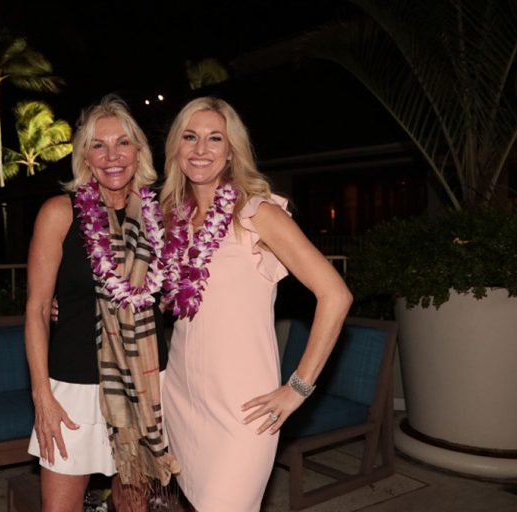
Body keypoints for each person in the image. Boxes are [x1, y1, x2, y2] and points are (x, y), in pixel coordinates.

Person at [159, 97, 353, 511]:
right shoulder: (176, 218)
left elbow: (335, 295)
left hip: (243, 411)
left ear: (231, 151)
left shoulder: (257, 213)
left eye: (215, 138)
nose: (201, 149)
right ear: (176, 146)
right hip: (181, 397)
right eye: (190, 137)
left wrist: (297, 388)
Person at [24, 95, 180, 512]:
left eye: (123, 143)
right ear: (85, 158)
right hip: (72, 388)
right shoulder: (59, 213)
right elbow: (38, 309)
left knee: (133, 505)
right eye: (98, 145)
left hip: (146, 385)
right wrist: (42, 395)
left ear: (139, 152)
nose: (112, 156)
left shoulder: (160, 216)